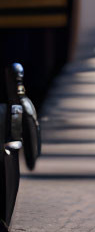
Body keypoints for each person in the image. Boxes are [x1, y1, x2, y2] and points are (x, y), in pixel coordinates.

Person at [1, 63, 40, 232]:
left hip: (10, 153)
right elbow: (32, 130)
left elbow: (30, 130)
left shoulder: (20, 105)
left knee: (7, 194)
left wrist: (31, 156)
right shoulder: (21, 105)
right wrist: (32, 155)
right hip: (10, 153)